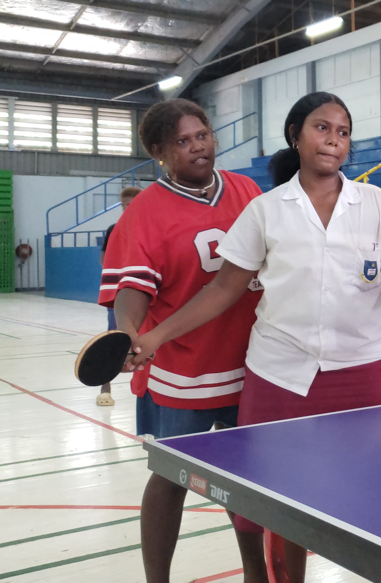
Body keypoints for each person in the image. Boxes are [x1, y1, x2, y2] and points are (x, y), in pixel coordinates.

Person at [126, 92, 381, 583]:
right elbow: (223, 288)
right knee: (279, 506)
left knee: (379, 497)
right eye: (322, 128)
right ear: (296, 136)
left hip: (363, 372)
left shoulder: (375, 202)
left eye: (343, 131)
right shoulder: (265, 210)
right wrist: (155, 336)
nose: (334, 140)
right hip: (280, 376)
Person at [98, 98, 264, 582]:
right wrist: (129, 332)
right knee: (171, 478)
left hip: (251, 364)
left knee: (250, 484)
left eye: (203, 135)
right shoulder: (145, 212)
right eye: (182, 141)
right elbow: (131, 289)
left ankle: (256, 573)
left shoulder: (246, 189)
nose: (198, 147)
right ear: (159, 153)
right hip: (180, 371)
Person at [97, 185, 142, 406]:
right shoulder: (113, 229)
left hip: (147, 293)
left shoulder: (150, 228)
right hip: (120, 293)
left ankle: (147, 387)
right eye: (123, 206)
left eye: (131, 205)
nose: (126, 209)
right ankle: (105, 388)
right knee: (113, 338)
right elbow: (104, 258)